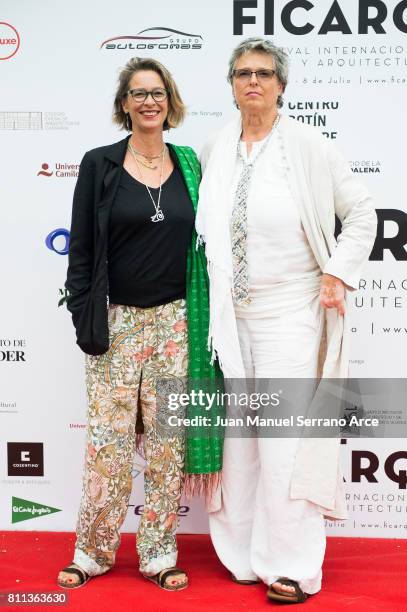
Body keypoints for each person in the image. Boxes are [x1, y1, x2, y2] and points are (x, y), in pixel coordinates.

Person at [196, 38, 377, 604]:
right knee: (239, 442)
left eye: (265, 74)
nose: (254, 82)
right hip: (227, 319)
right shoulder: (215, 146)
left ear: (282, 85)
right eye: (244, 73)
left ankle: (292, 567)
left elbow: (363, 214)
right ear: (230, 84)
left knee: (285, 443)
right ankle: (245, 557)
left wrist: (337, 274)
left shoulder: (308, 146)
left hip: (290, 315)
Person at [57, 56, 217, 591]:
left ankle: (157, 552)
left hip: (177, 322)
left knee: (169, 443)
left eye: (158, 92)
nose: (149, 101)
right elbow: (81, 250)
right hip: (117, 320)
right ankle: (93, 550)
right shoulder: (100, 164)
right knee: (109, 443)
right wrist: (86, 318)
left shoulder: (190, 163)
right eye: (138, 93)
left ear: (170, 102)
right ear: (124, 104)